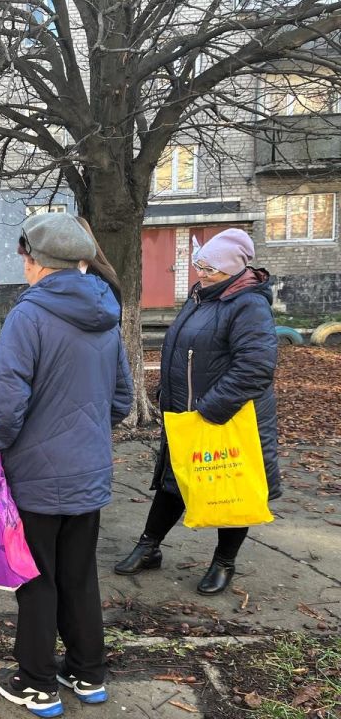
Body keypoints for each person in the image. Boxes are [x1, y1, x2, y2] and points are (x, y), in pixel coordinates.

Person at [0, 213, 133, 717]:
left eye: (24, 257)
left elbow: (4, 404)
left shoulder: (29, 315)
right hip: (88, 471)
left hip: (35, 475)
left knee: (35, 577)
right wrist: (84, 436)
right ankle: (88, 673)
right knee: (79, 575)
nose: (23, 265)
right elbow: (121, 399)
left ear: (37, 260)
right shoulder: (107, 312)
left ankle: (37, 682)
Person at [115, 228, 281, 595]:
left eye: (210, 269)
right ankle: (149, 546)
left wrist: (210, 409)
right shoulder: (201, 297)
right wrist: (168, 394)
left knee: (231, 487)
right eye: (200, 265)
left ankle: (224, 561)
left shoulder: (249, 305)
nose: (201, 273)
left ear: (233, 269)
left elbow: (255, 368)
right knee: (174, 480)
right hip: (189, 414)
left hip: (229, 418)